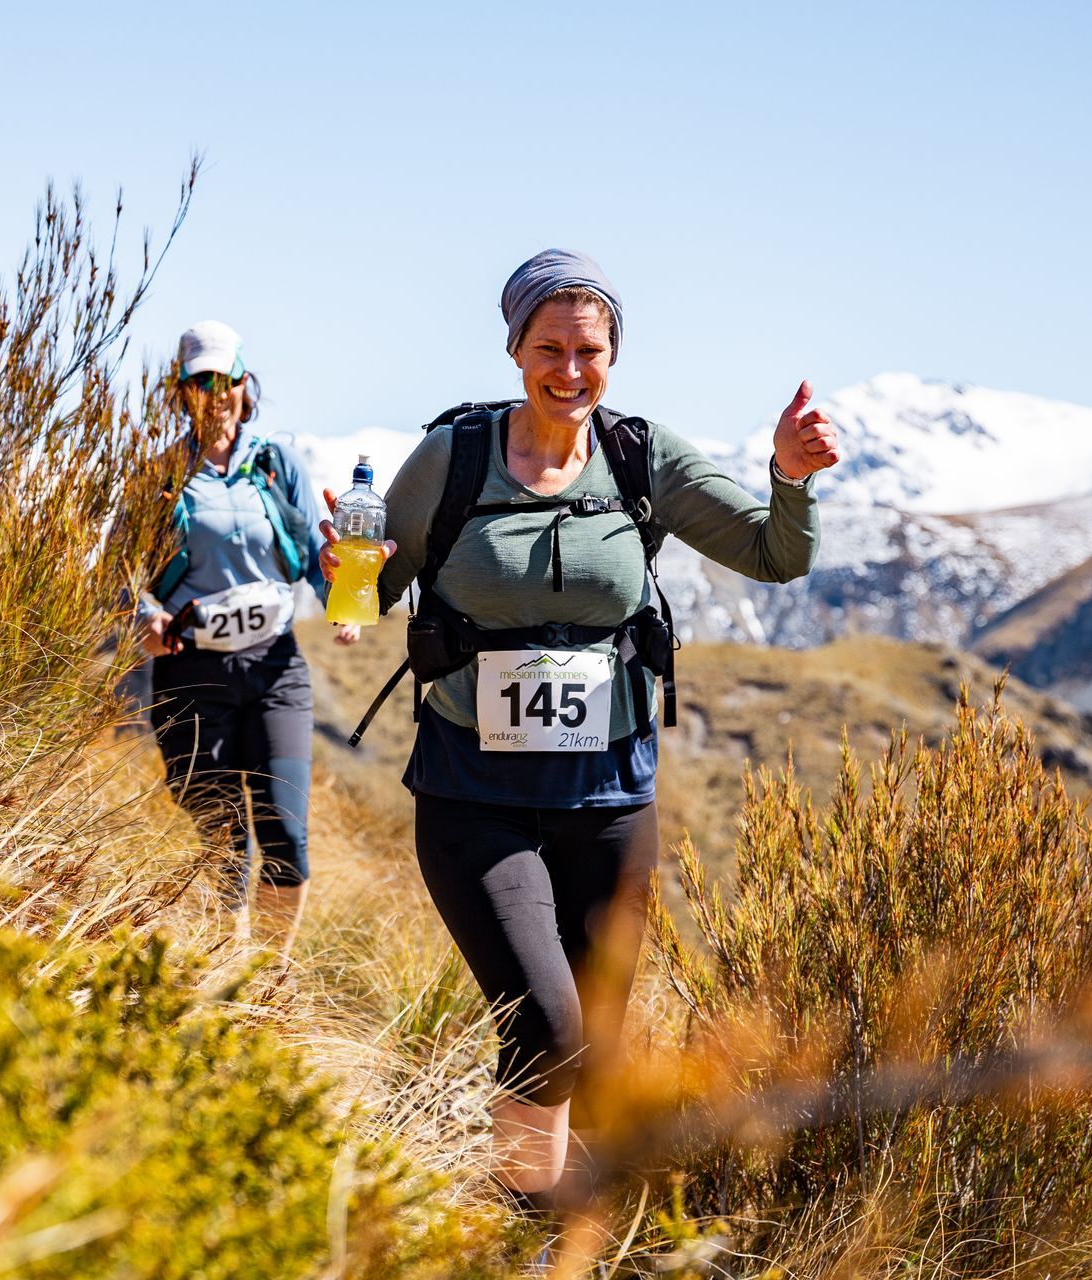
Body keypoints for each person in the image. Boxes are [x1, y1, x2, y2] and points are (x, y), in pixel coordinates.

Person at [319, 251, 838, 1213]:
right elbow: (370, 589)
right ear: (515, 348)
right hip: (475, 794)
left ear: (613, 356)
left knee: (595, 1037)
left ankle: (588, 1231)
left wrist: (788, 476)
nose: (569, 369)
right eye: (548, 347)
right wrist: (348, 565)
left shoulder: (644, 457)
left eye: (589, 350)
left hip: (607, 799)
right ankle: (525, 1229)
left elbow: (776, 557)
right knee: (546, 1024)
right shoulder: (455, 456)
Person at [140, 320, 359, 956]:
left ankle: (268, 972)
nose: (217, 394)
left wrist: (342, 604)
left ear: (245, 383)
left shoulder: (276, 464)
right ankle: (226, 962)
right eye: (201, 381)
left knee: (285, 831)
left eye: (228, 379)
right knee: (222, 834)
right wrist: (144, 619)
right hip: (190, 674)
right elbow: (123, 572)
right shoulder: (159, 475)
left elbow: (321, 550)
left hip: (275, 671)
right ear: (181, 391)